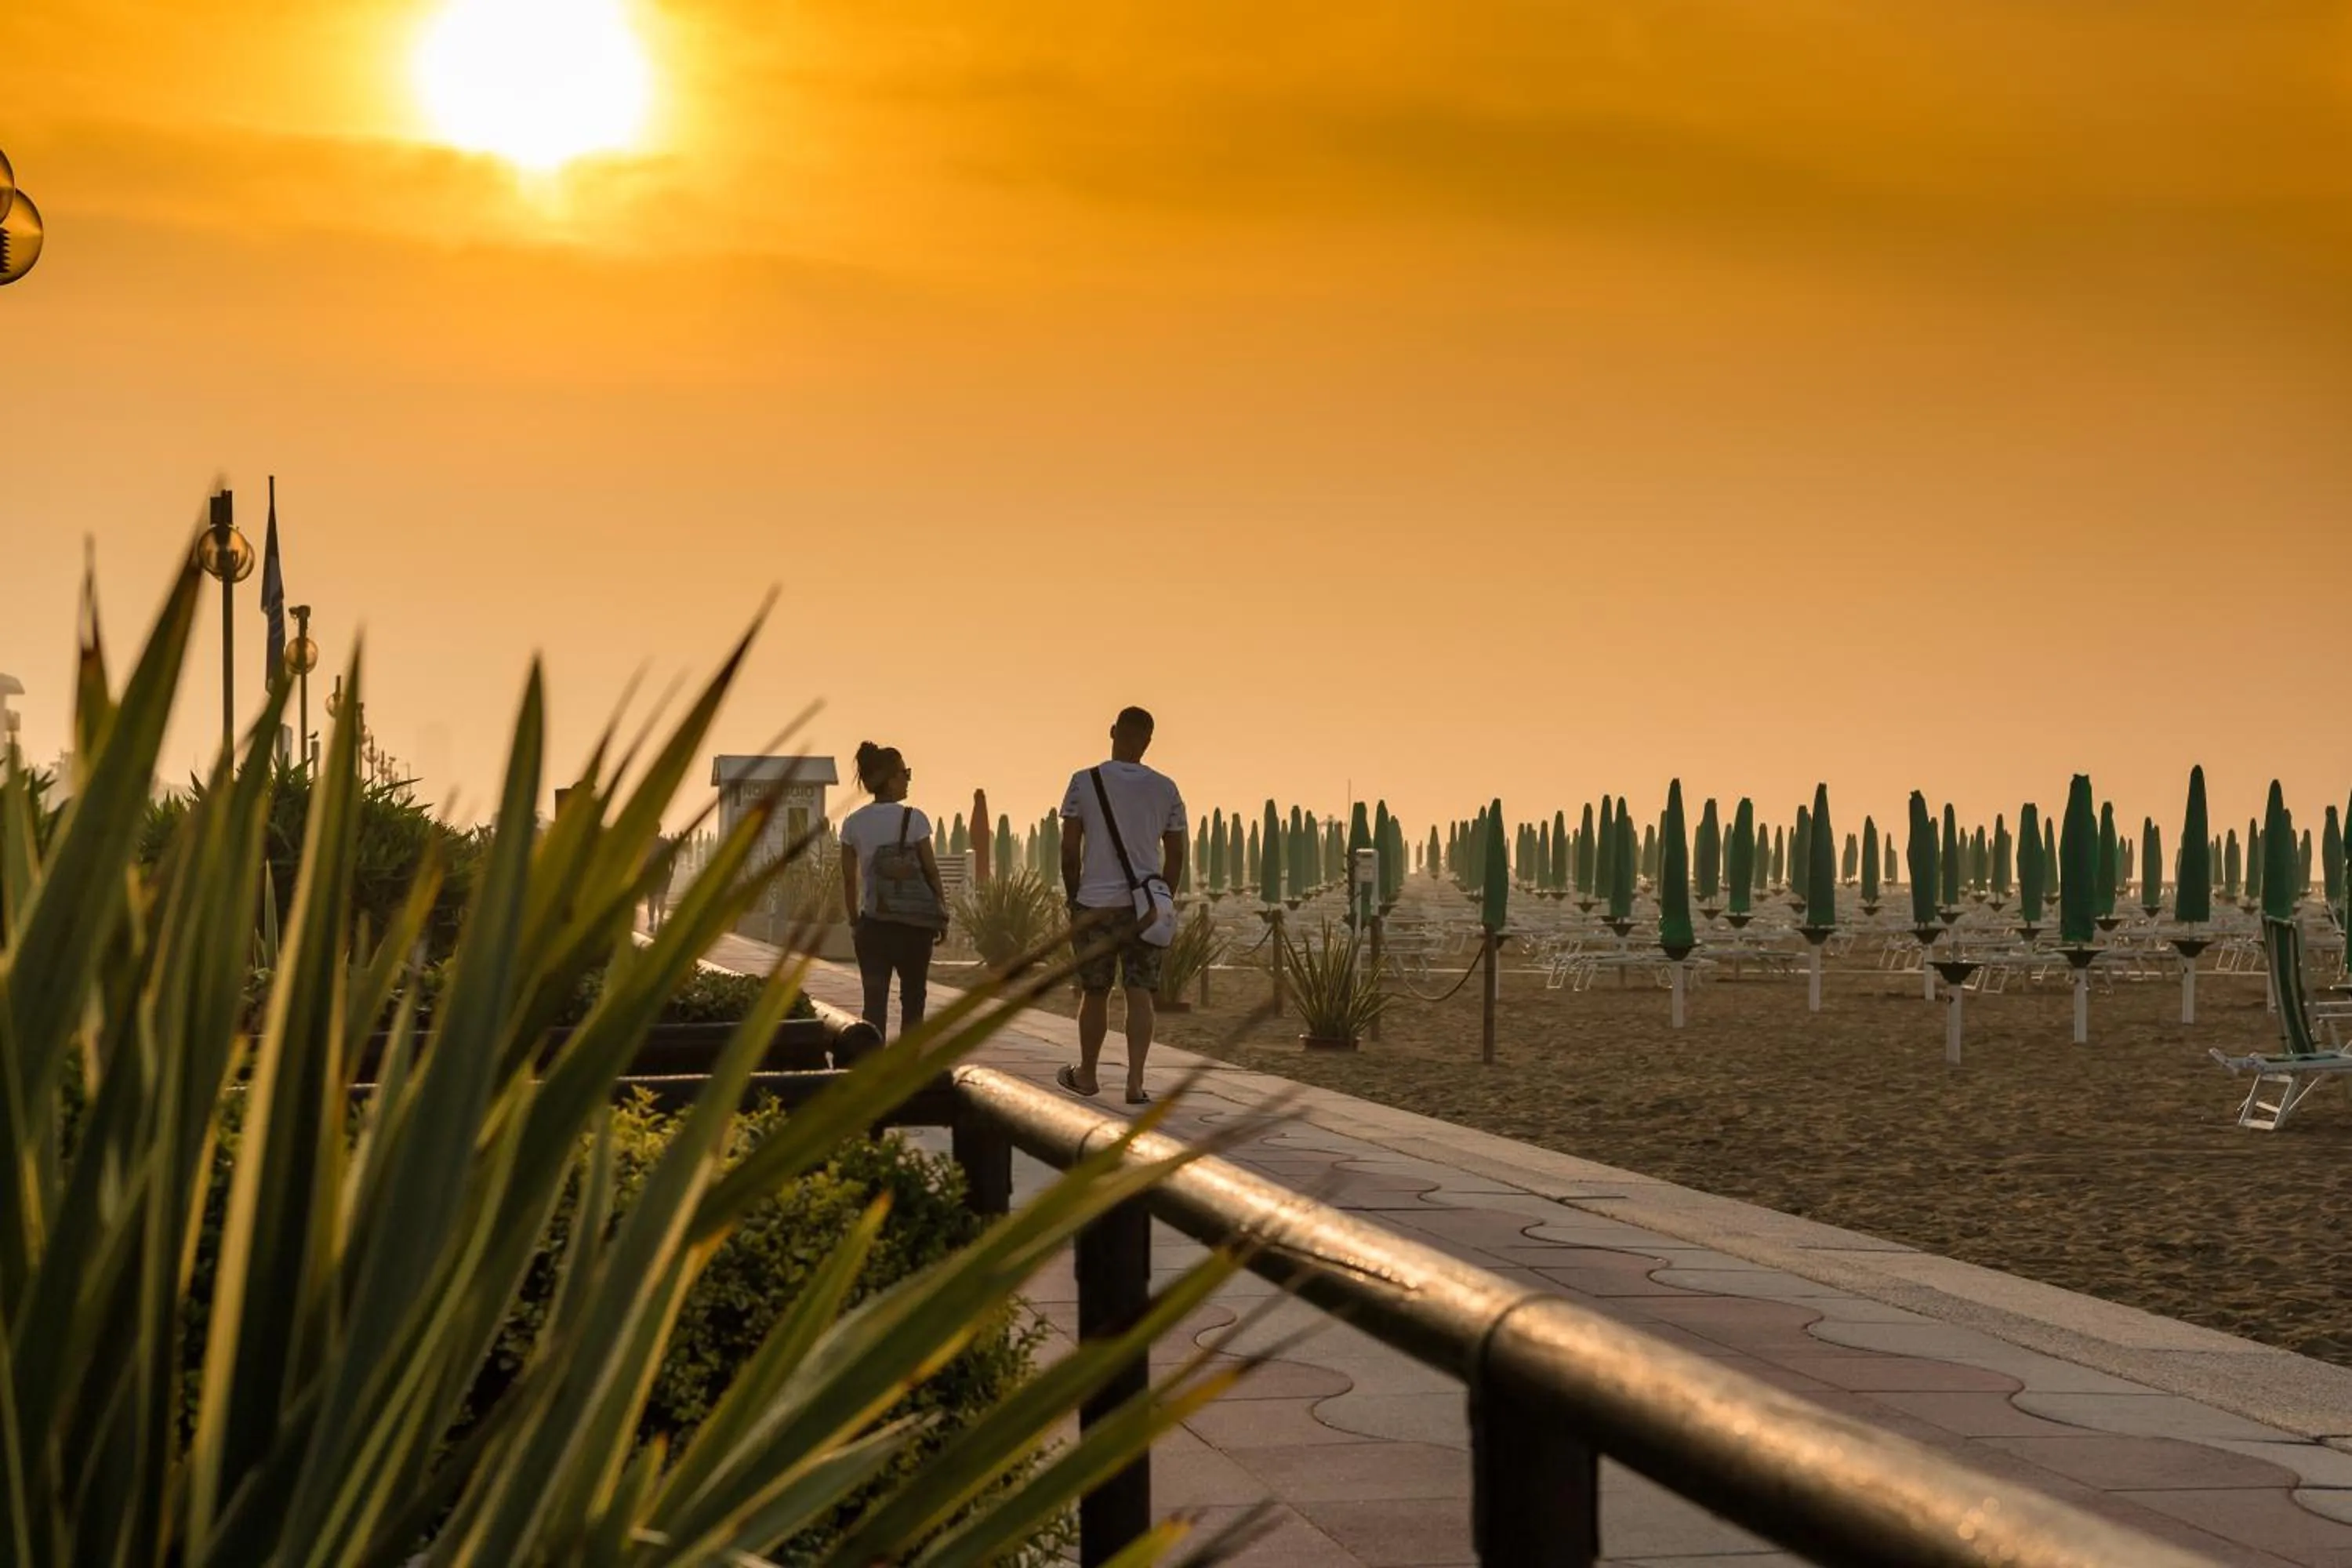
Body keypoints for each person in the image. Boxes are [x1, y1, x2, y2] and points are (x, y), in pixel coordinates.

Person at [1056, 706, 1188, 1105]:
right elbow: (1177, 852)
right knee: (1140, 993)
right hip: (1144, 907)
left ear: (1113, 731)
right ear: (1148, 741)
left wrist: (1076, 896)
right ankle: (1134, 1083)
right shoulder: (1166, 789)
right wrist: (1163, 896)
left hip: (1094, 903)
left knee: (1095, 993)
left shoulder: (1083, 782)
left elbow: (1068, 849)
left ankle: (1088, 1075)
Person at [838, 741, 950, 1036]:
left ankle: (872, 1069)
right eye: (905, 773)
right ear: (889, 780)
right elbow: (931, 871)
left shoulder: (853, 824)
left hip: (874, 924)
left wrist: (854, 921)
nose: (908, 779)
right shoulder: (915, 819)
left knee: (874, 1006)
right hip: (915, 927)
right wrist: (941, 911)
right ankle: (906, 1071)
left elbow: (850, 879)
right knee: (913, 1001)